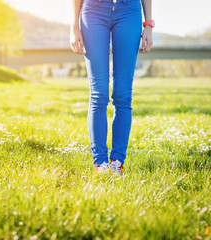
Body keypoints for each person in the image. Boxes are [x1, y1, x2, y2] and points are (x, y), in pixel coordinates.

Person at [70, 0, 154, 175]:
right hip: (93, 10)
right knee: (98, 93)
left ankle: (117, 162)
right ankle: (100, 163)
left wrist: (148, 24)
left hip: (129, 11)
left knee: (123, 94)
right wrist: (74, 26)